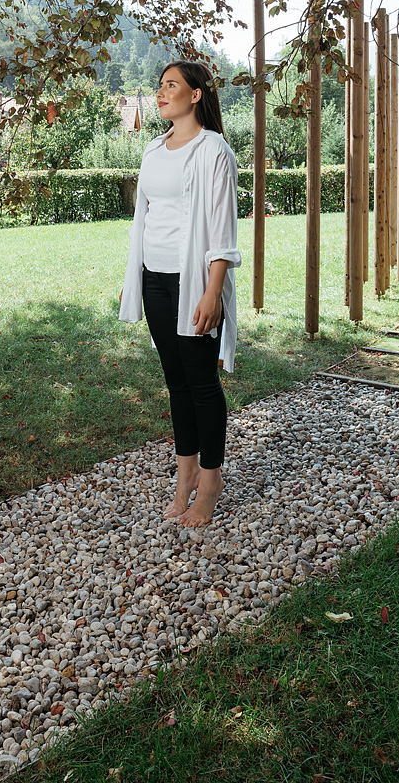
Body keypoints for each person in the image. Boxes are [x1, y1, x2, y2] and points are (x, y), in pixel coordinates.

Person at [119, 60, 240, 527]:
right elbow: (146, 217)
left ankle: (210, 483)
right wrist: (138, 275)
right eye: (160, 85)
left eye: (171, 85)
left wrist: (213, 292)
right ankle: (185, 472)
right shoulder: (154, 149)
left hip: (194, 283)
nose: (161, 92)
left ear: (195, 95)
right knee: (176, 382)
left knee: (202, 384)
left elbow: (223, 230)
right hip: (154, 278)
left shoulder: (214, 150)